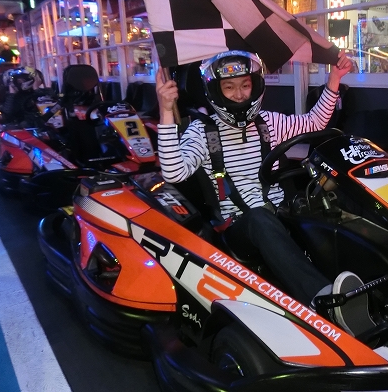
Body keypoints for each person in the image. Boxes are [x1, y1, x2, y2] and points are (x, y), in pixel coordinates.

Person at [156, 50, 375, 337]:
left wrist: (334, 79)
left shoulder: (267, 122)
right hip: (239, 227)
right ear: (216, 90)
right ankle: (324, 300)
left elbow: (314, 123)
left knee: (332, 195)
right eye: (229, 87)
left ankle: (375, 279)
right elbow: (173, 173)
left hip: (279, 212)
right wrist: (166, 111)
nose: (239, 94)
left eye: (245, 85)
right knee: (260, 218)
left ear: (255, 86)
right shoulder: (202, 132)